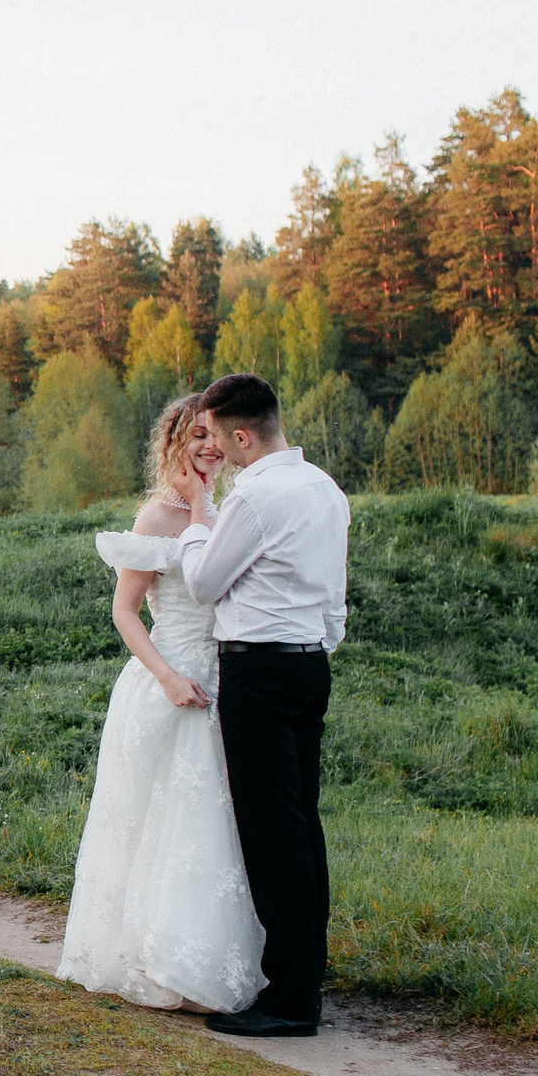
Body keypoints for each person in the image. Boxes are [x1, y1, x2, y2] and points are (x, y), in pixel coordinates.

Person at [56, 394, 267, 1015]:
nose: (209, 446)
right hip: (168, 683)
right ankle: (157, 960)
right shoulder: (155, 517)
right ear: (172, 443)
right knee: (166, 821)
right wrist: (169, 677)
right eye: (195, 435)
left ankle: (205, 961)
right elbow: (124, 613)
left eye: (215, 436)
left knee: (213, 825)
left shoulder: (223, 510)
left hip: (225, 680)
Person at [165, 371, 351, 1039]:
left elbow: (206, 581)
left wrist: (195, 514)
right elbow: (334, 603)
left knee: (273, 837)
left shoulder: (255, 498)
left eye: (217, 435)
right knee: (303, 828)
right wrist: (310, 645)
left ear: (242, 435)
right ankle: (305, 976)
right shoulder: (326, 489)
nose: (215, 446)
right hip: (309, 666)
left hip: (261, 673)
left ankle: (290, 997)